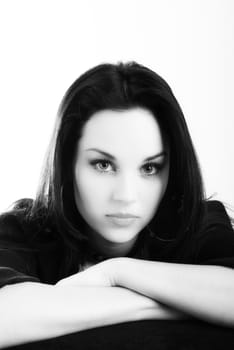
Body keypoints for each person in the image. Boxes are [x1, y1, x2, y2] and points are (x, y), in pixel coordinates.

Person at [0, 61, 234, 348]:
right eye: (103, 164)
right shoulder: (25, 229)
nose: (126, 195)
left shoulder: (200, 224)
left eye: (149, 168)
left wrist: (116, 272)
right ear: (67, 162)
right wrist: (167, 304)